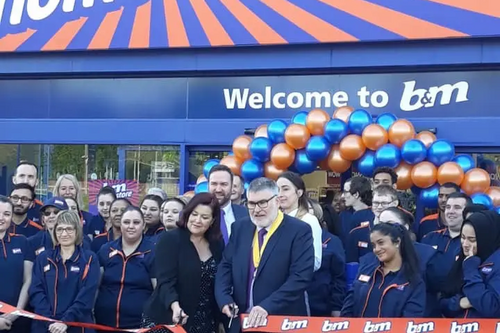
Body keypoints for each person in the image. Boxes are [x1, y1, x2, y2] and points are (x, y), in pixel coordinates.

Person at [215, 177, 314, 332]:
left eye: (262, 203)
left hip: (280, 321)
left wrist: (267, 306)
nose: (256, 209)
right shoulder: (240, 227)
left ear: (277, 201)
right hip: (241, 320)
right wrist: (224, 298)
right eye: (251, 204)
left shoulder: (299, 231)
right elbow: (226, 266)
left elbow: (300, 277)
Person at [142, 193, 224, 333]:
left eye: (204, 217)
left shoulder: (217, 243)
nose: (197, 220)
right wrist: (175, 306)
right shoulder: (170, 239)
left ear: (212, 221)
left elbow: (220, 281)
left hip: (206, 320)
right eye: (194, 214)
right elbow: (165, 281)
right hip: (169, 317)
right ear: (187, 214)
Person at [29, 211, 100, 333]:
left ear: (77, 231)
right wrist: (50, 322)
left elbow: (86, 295)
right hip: (46, 327)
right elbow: (36, 291)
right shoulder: (43, 258)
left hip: (78, 327)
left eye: (69, 229)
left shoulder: (89, 259)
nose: (64, 234)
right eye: (60, 229)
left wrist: (66, 321)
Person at [341, 222, 425, 317]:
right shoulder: (365, 270)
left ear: (397, 242)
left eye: (381, 243)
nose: (376, 249)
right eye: (373, 245)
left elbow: (410, 320)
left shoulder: (413, 281)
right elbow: (348, 306)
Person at [95, 206, 156, 331]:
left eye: (136, 222)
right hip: (104, 322)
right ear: (120, 225)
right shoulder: (106, 249)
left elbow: (158, 291)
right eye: (126, 222)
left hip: (138, 325)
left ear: (144, 225)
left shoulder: (153, 251)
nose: (131, 226)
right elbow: (96, 285)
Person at [377, 207, 441, 317]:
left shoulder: (428, 254)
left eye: (389, 224)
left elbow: (437, 293)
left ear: (405, 227)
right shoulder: (372, 256)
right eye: (380, 224)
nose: (384, 229)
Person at [440, 211, 500, 318]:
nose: (465, 244)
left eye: (472, 240)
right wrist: (460, 303)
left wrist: (470, 269)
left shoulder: (496, 263)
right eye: (463, 237)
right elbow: (442, 304)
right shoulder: (460, 257)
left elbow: (491, 308)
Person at [422, 192, 472, 288]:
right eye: (448, 207)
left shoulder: (473, 242)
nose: (450, 211)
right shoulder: (429, 238)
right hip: (428, 298)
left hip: (457, 299)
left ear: (467, 212)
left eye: (457, 207)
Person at [306, 199, 345, 317]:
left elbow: (340, 277)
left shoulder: (332, 241)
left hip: (322, 308)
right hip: (293, 305)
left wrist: (337, 307)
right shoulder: (288, 238)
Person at [0, 195, 33, 333]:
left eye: (6, 214)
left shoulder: (22, 242)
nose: (1, 218)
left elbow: (28, 279)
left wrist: (17, 311)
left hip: (18, 320)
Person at [277, 172, 322, 271]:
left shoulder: (309, 220)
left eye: (285, 189)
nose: (280, 194)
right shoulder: (273, 220)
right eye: (277, 190)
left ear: (299, 193)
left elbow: (316, 261)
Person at [346, 185, 398, 263]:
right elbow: (351, 264)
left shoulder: (400, 231)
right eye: (376, 203)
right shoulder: (357, 233)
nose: (379, 207)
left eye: (384, 203)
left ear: (395, 203)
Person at [208, 165, 248, 245]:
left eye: (224, 184)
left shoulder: (246, 214)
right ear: (208, 185)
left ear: (231, 187)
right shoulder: (196, 215)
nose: (218, 189)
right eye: (214, 184)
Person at [340, 177, 374, 245]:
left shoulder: (374, 215)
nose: (342, 196)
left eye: (345, 192)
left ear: (356, 194)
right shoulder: (343, 215)